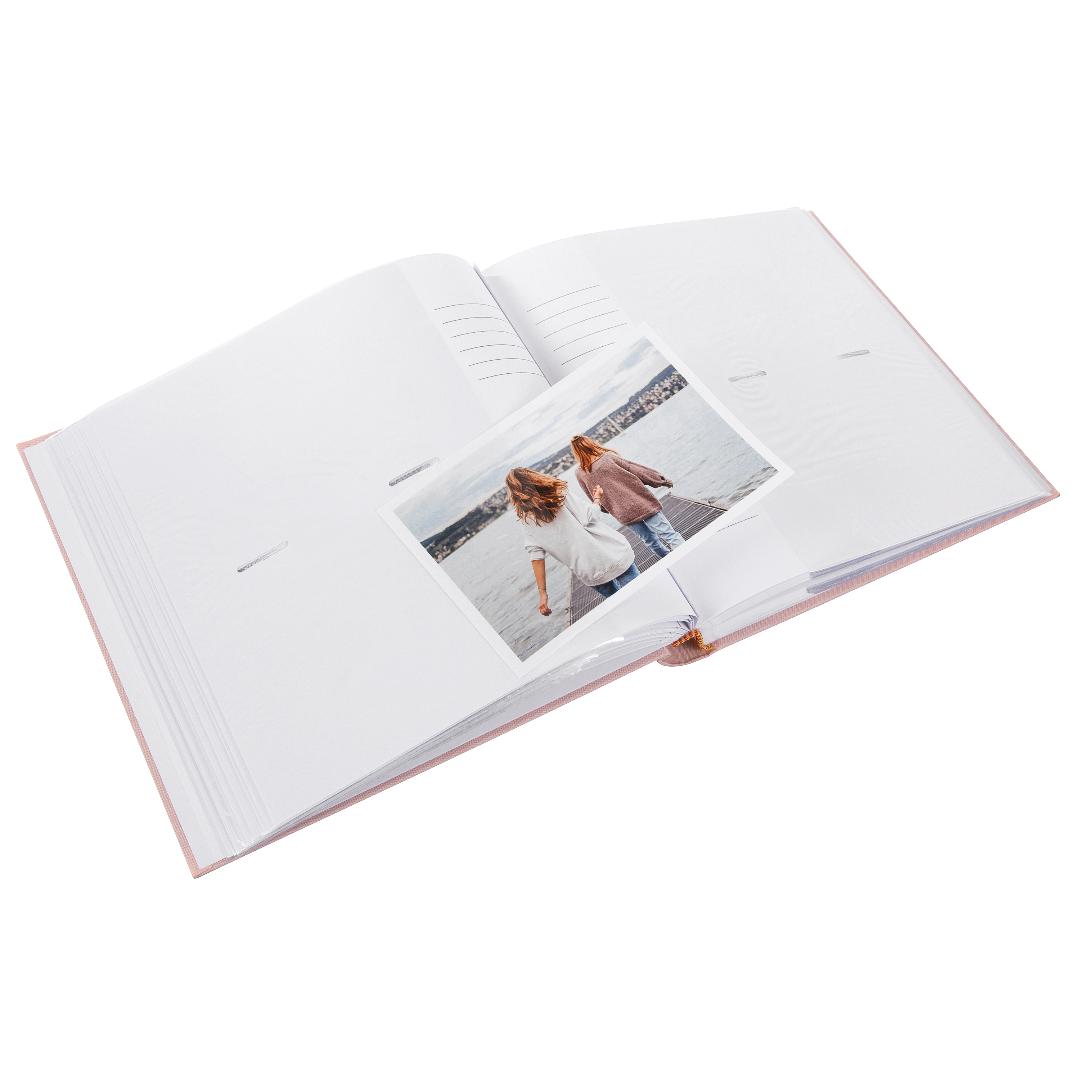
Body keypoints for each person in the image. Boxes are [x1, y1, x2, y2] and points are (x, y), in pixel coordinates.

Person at [505, 467, 640, 616]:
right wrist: (597, 499)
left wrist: (543, 593)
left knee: (623, 609)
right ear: (535, 478)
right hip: (611, 554)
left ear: (514, 493)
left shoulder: (526, 521)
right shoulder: (558, 493)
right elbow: (589, 517)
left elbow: (536, 557)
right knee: (642, 593)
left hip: (588, 571)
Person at [570, 435, 685, 559]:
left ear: (576, 452)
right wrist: (661, 480)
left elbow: (592, 495)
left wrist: (609, 507)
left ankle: (670, 560)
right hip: (641, 503)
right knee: (669, 535)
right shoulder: (608, 457)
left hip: (622, 512)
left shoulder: (580, 473)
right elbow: (637, 470)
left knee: (652, 542)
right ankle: (689, 558)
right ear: (591, 444)